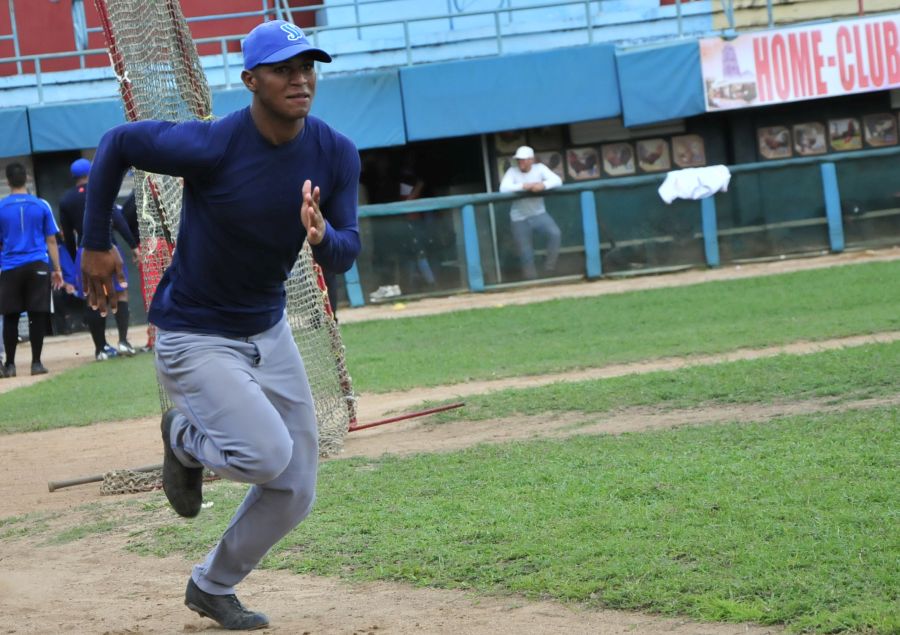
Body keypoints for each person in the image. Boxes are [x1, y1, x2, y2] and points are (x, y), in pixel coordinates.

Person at [80, 19, 360, 631]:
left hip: (268, 328)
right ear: (251, 80)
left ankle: (212, 585)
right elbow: (117, 143)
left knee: (298, 485)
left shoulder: (335, 152)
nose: (300, 78)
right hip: (196, 332)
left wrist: (322, 237)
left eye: (308, 66)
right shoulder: (214, 145)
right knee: (265, 456)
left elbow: (348, 247)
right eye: (285, 69)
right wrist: (96, 242)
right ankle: (182, 437)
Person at [62, 158, 140, 359]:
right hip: (109, 248)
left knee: (93, 298)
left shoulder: (66, 200)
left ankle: (100, 349)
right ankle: (123, 342)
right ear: (91, 172)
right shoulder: (100, 191)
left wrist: (74, 260)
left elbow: (68, 237)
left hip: (84, 252)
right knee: (120, 293)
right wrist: (133, 245)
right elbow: (119, 219)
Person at [0, 162, 64, 377]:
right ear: (27, 178)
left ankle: (10, 365)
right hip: (38, 264)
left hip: (10, 267)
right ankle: (36, 363)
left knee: (11, 316)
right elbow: (51, 240)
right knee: (37, 314)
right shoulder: (41, 205)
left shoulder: (1, 207)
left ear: (7, 181)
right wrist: (57, 269)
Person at [499, 145, 563, 280]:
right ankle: (532, 281)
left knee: (555, 233)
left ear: (531, 160)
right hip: (519, 218)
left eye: (523, 159)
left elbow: (557, 180)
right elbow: (503, 189)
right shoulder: (512, 171)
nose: (520, 162)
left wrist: (543, 185)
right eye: (519, 159)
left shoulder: (539, 168)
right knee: (526, 253)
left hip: (539, 214)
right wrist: (523, 186)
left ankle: (549, 268)